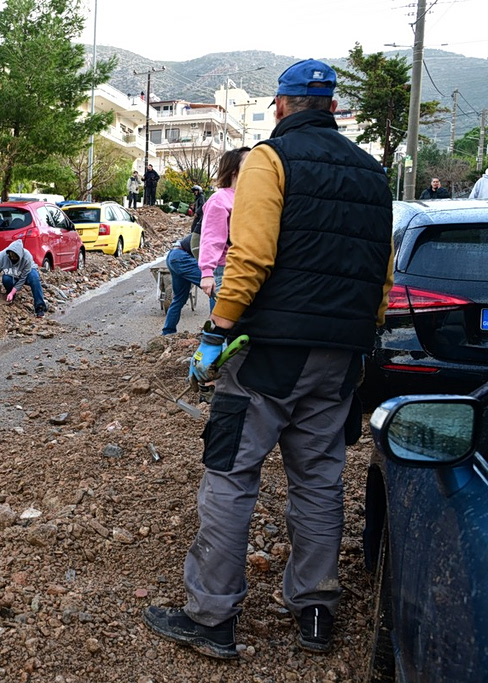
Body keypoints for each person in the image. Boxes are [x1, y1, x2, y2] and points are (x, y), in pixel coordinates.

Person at [144, 59, 394, 659]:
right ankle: (314, 615)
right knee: (318, 478)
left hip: (273, 352)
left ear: (281, 105)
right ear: (332, 107)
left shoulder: (269, 160)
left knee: (231, 473)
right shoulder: (372, 172)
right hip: (343, 355)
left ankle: (211, 617)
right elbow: (382, 272)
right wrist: (363, 337)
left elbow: (250, 257)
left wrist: (216, 329)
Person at [198, 148, 251, 301]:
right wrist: (207, 273)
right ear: (234, 170)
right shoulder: (220, 199)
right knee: (228, 322)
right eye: (249, 161)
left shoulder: (247, 197)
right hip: (225, 271)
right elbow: (211, 238)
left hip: (244, 270)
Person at [160, 184, 206, 336]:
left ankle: (167, 333)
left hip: (174, 255)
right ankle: (216, 334)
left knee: (180, 298)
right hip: (182, 257)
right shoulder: (210, 230)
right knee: (214, 289)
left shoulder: (203, 206)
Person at [0, 239, 47, 318]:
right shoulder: (2, 256)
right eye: (10, 256)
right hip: (12, 274)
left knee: (34, 278)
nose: (12, 258)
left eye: (14, 257)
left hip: (27, 273)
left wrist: (12, 292)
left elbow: (22, 279)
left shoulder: (27, 257)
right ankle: (11, 296)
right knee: (6, 278)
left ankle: (40, 307)